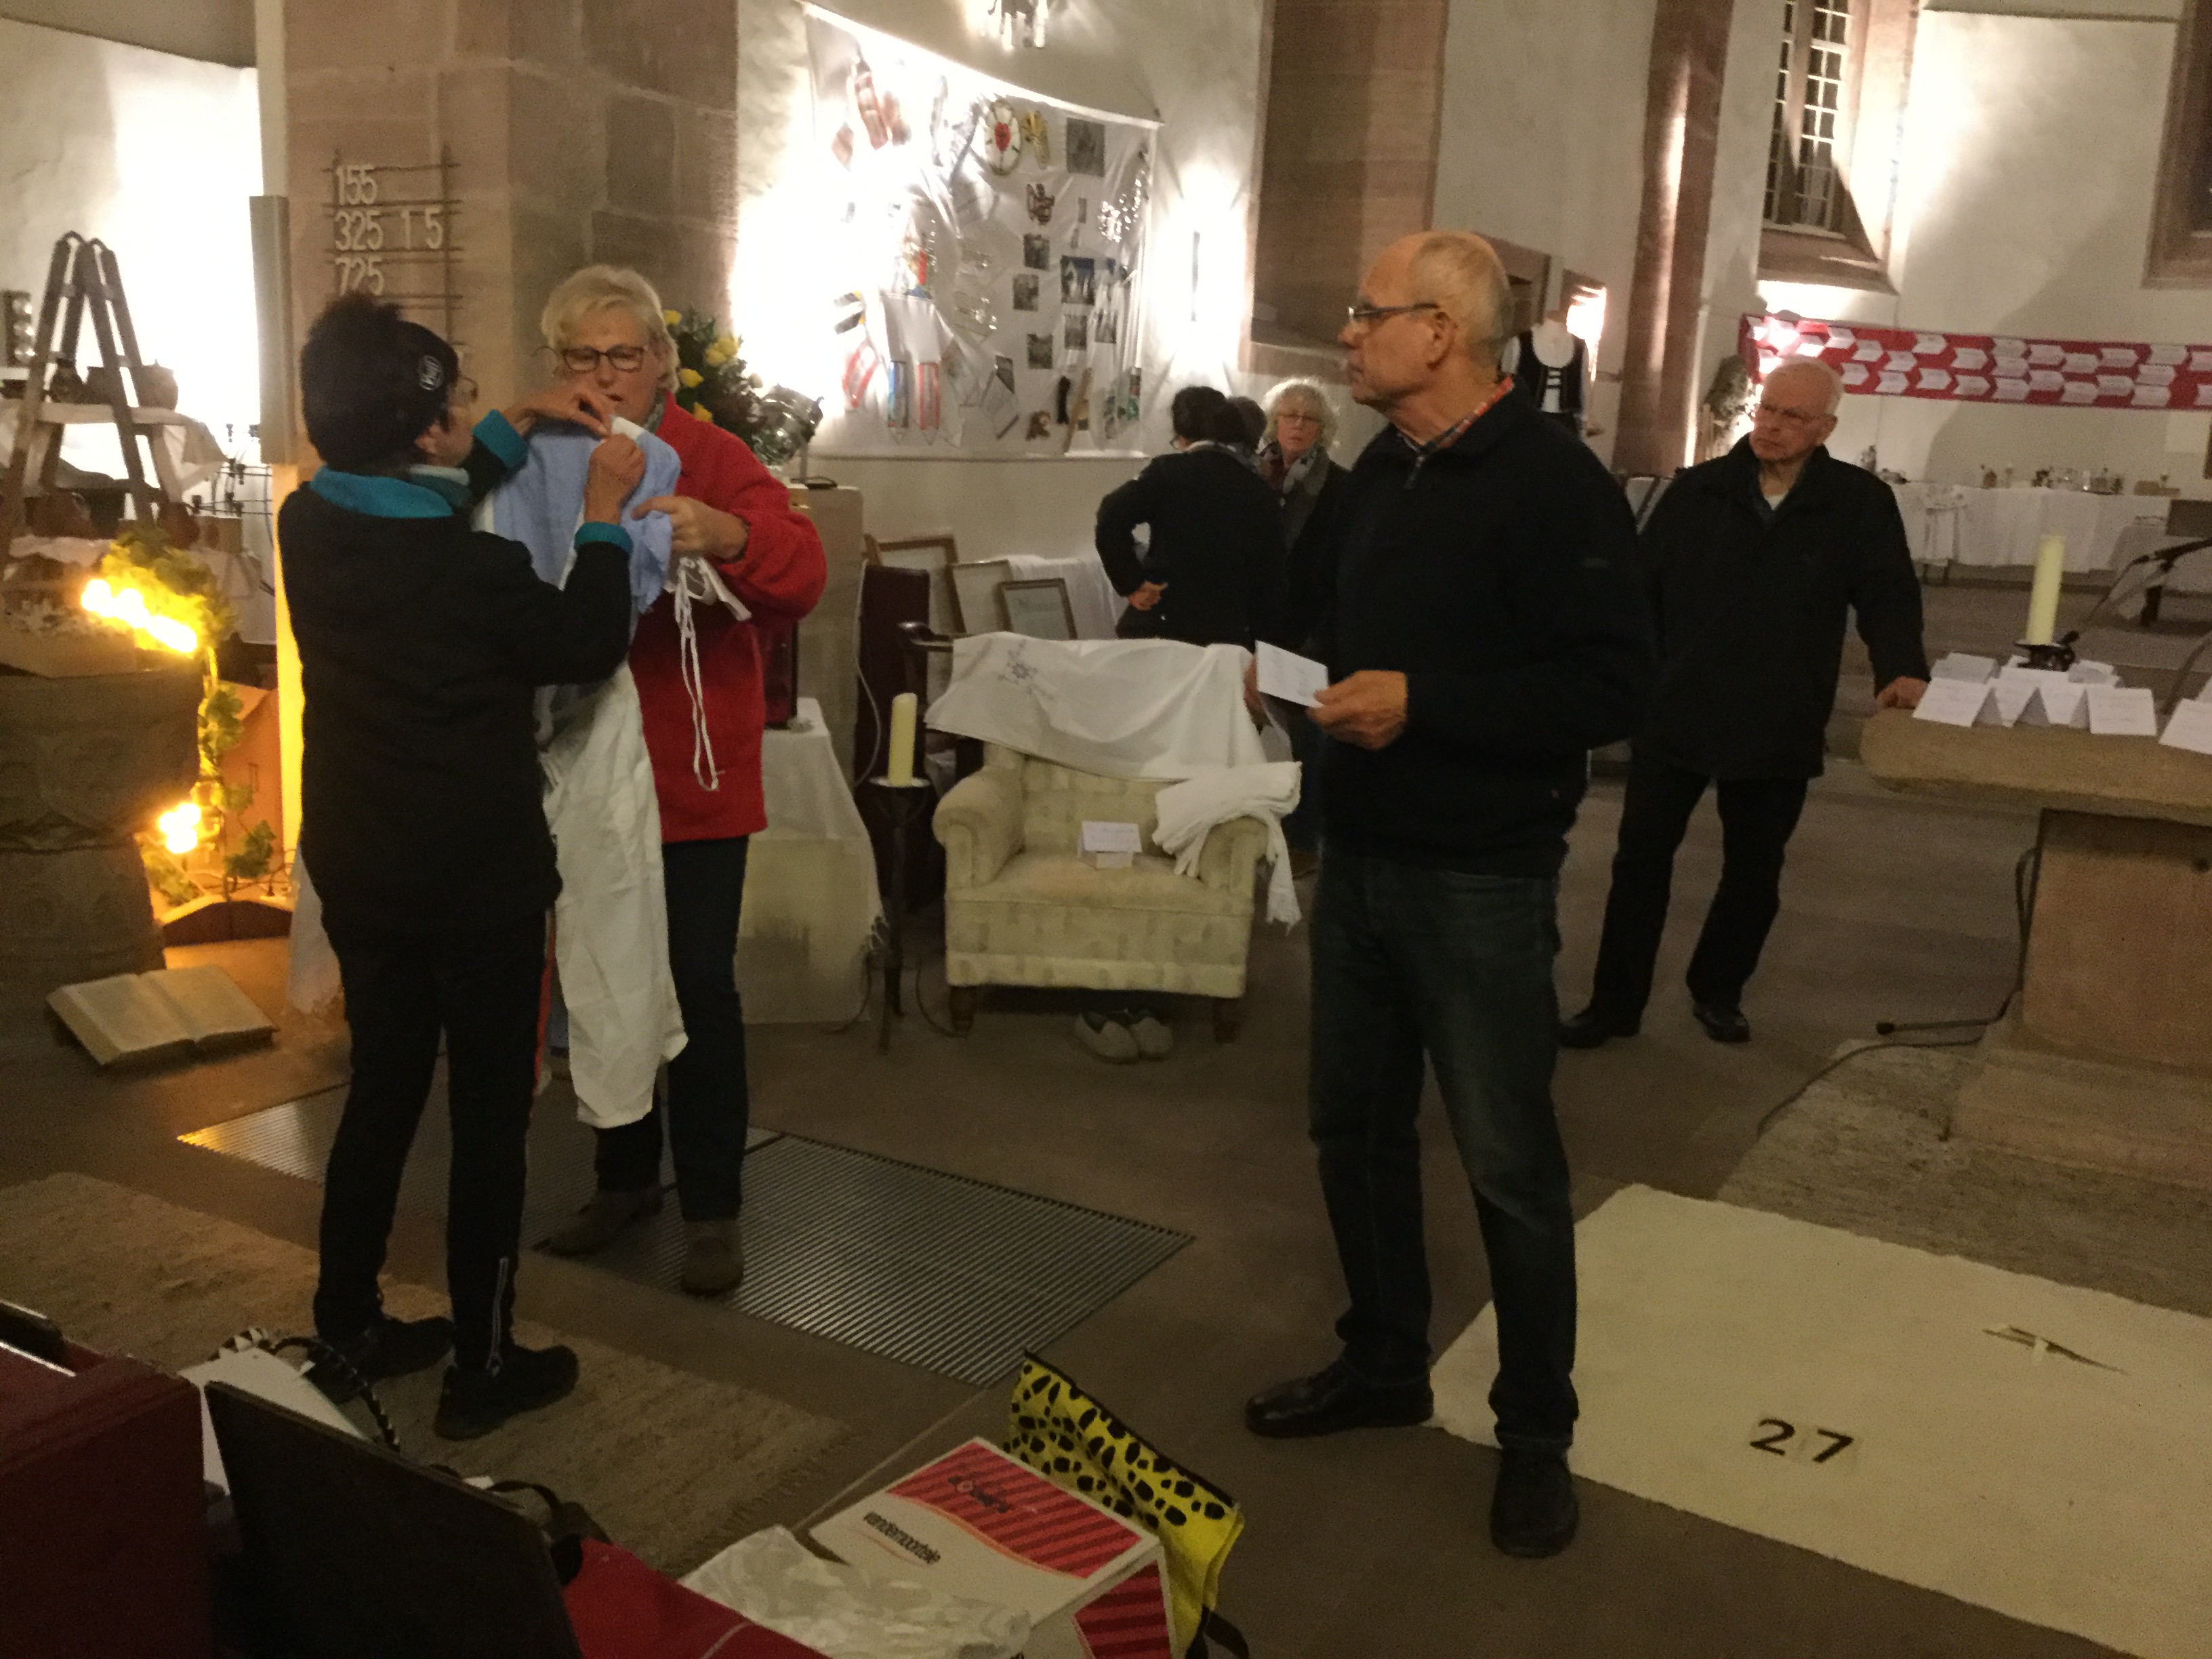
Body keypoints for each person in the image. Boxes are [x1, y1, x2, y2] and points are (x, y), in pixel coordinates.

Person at [1244, 232, 1653, 1560]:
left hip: (1479, 871)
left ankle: (1535, 1432)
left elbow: (1610, 686)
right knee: (1351, 1130)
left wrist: (1425, 703)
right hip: (1360, 856)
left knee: (1506, 1163)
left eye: (1367, 314)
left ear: (1441, 332)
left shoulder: (1552, 483)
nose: (1345, 334)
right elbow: (1323, 617)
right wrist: (1286, 667)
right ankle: (1383, 1363)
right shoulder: (1379, 468)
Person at [288, 293, 640, 1439]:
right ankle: (482, 1364)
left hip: (360, 861)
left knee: (383, 1087)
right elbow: (584, 639)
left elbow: (413, 495)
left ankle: (346, 1328)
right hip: (477, 877)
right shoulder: (475, 573)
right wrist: (602, 518)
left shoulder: (309, 522)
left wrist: (515, 424)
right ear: (428, 428)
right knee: (490, 1116)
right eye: (464, 402)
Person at [539, 267, 826, 1292]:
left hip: (690, 774)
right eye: (583, 356)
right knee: (602, 976)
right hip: (585, 768)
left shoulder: (715, 457)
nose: (606, 375)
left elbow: (804, 571)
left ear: (662, 360)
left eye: (625, 354)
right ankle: (623, 1180)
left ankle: (713, 1207)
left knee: (698, 985)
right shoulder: (549, 454)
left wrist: (730, 533)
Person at [1559, 358, 1928, 1050]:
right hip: (1680, 704)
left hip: (1779, 709)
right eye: (1768, 410)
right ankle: (1614, 1003)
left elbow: (1889, 594)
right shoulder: (1699, 491)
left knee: (1754, 869)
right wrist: (1624, 675)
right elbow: (1642, 590)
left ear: (1826, 428)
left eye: (1794, 417)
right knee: (1640, 861)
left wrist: (1901, 669)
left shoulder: (1857, 502)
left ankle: (1718, 990)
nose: (1773, 426)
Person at [1097, 384, 1285, 650]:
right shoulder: (1259, 490)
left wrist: (1131, 582)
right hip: (1228, 634)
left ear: (1182, 435)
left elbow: (1110, 515)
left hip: (1164, 623)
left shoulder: (1168, 472)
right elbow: (1271, 579)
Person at [1257, 379, 1349, 863]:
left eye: (1307, 418)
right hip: (1257, 622)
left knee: (1305, 739)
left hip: (1308, 627)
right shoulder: (1254, 474)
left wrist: (1321, 633)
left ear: (1322, 429)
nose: (1296, 425)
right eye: (1287, 415)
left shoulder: (1340, 486)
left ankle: (1303, 840)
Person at [1500, 304, 1600, 440]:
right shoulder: (1520, 342)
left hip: (1565, 424)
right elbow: (1505, 385)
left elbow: (1584, 387)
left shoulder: (1580, 347)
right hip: (1527, 420)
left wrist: (1584, 420)